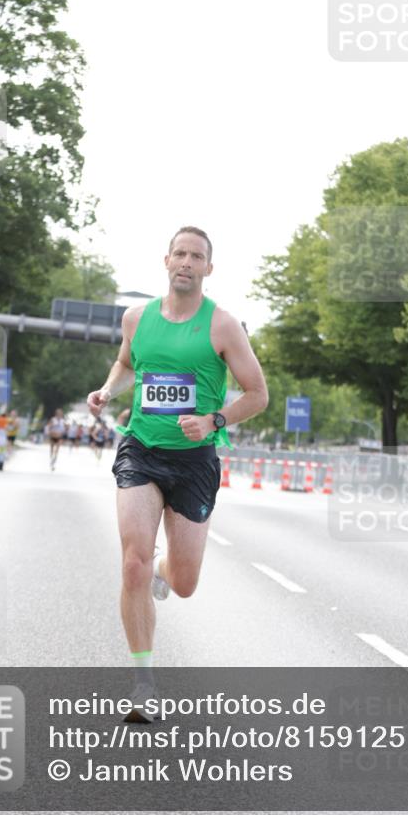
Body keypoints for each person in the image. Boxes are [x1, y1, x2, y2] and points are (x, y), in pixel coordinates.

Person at [87, 226, 268, 719]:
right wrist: (108, 391)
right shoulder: (136, 318)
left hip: (194, 461)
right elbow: (125, 365)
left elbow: (257, 394)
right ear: (166, 261)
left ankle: (166, 571)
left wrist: (214, 420)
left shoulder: (224, 326)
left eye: (198, 257)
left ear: (209, 269)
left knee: (183, 582)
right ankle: (143, 683)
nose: (187, 262)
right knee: (132, 563)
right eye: (180, 254)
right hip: (141, 449)